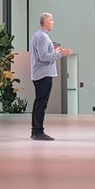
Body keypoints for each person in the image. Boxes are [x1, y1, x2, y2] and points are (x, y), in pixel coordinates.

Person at [29, 12, 71, 141]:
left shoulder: (40, 35)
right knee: (41, 103)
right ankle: (38, 131)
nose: (53, 22)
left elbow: (44, 54)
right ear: (45, 22)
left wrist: (55, 51)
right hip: (43, 73)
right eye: (51, 20)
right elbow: (43, 57)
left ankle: (36, 131)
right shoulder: (42, 36)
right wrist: (60, 54)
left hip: (42, 73)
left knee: (39, 102)